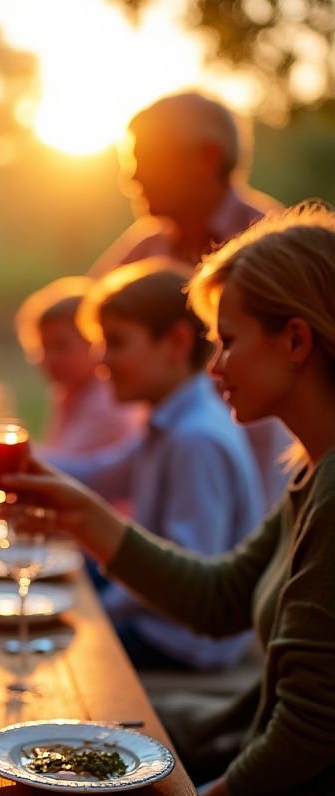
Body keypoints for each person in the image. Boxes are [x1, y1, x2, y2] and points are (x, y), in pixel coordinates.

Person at [6, 203, 335, 796]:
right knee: (78, 749)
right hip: (285, 766)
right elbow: (218, 596)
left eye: (231, 341)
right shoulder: (312, 472)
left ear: (297, 341)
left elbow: (308, 730)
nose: (216, 365)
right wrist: (80, 513)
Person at [49, 258, 264, 671]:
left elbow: (187, 575)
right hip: (157, 611)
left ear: (176, 344)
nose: (101, 360)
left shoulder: (195, 438)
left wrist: (98, 612)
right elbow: (101, 474)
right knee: (48, 587)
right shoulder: (170, 418)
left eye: (117, 341)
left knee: (51, 645)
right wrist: (22, 458)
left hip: (182, 639)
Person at [90, 90, 291, 509]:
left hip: (262, 489)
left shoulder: (272, 246)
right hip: (169, 477)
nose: (132, 179)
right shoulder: (150, 246)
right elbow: (87, 314)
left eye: (144, 159)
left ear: (206, 158)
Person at [15, 276, 143, 458]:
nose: (50, 359)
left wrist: (1, 445)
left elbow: (63, 470)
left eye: (61, 346)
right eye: (43, 347)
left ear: (95, 342)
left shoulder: (108, 403)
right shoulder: (71, 394)